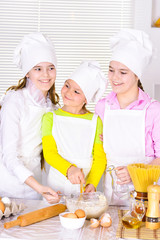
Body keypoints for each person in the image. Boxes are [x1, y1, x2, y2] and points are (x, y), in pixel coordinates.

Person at [95, 28, 160, 205]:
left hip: (146, 192)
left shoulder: (153, 110)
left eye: (123, 72)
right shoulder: (102, 107)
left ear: (137, 75)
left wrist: (135, 172)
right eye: (111, 70)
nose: (114, 78)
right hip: (111, 191)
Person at [0, 32, 60, 203]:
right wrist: (39, 187)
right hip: (7, 186)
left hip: (34, 186)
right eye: (38, 68)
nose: (46, 75)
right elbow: (9, 157)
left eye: (51, 67)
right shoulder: (14, 102)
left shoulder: (51, 107)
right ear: (27, 72)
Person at [42, 60, 107, 195]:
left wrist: (92, 183)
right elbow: (49, 153)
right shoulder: (50, 117)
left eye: (77, 91)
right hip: (56, 183)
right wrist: (69, 169)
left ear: (86, 99)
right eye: (67, 85)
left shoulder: (96, 121)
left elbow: (100, 158)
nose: (68, 92)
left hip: (83, 186)